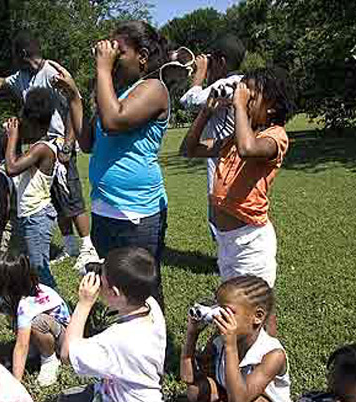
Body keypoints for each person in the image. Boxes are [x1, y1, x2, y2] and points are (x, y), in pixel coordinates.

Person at [0, 31, 99, 272]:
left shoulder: (53, 73)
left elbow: (73, 104)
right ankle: (70, 245)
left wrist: (68, 144)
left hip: (59, 144)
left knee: (71, 196)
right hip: (41, 144)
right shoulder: (22, 76)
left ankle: (87, 248)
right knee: (54, 198)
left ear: (22, 54)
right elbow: (0, 83)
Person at [52, 21, 171, 304]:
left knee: (143, 292)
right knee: (116, 286)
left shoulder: (154, 88)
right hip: (105, 210)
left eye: (119, 52)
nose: (111, 59)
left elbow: (115, 121)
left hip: (137, 213)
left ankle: (155, 346)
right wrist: (74, 98)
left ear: (142, 56)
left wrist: (103, 69)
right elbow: (87, 142)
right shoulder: (114, 94)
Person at [183, 67, 295, 333]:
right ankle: (240, 353)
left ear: (272, 108)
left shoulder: (275, 137)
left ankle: (269, 359)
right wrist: (206, 112)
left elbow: (248, 150)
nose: (241, 101)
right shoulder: (234, 138)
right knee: (233, 302)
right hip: (227, 241)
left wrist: (238, 105)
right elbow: (188, 150)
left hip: (250, 241)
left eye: (251, 97)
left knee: (260, 306)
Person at [56, 247, 168, 402]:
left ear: (115, 293)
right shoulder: (150, 304)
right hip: (138, 401)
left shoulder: (117, 340)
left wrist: (84, 303)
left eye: (102, 281)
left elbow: (66, 353)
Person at [178, 35, 246, 237]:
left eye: (212, 60)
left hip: (221, 160)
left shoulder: (224, 86)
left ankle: (226, 260)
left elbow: (189, 101)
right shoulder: (242, 82)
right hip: (236, 159)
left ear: (222, 62)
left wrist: (200, 72)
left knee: (220, 213)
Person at [0, 252, 69, 387]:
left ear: (7, 284)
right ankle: (37, 349)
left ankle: (49, 359)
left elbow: (21, 346)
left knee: (37, 323)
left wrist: (16, 386)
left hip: (66, 340)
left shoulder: (27, 303)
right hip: (51, 332)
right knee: (18, 317)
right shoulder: (10, 294)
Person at [2, 87, 62, 288]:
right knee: (26, 263)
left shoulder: (42, 149)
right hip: (28, 214)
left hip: (37, 216)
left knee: (40, 269)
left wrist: (12, 136)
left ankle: (56, 308)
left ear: (31, 122)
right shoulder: (36, 146)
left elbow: (11, 168)